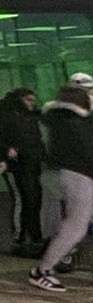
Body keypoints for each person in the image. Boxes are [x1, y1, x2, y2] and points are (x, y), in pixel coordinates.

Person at [30, 83, 93, 292]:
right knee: (75, 226)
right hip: (79, 176)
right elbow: (86, 152)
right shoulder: (74, 122)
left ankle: (44, 269)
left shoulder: (58, 119)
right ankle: (44, 270)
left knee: (75, 225)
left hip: (70, 175)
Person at [0, 88, 46, 257]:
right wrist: (6, 151)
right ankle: (22, 238)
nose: (31, 104)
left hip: (28, 164)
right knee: (23, 198)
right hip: (17, 165)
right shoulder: (8, 116)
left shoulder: (23, 116)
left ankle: (30, 237)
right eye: (28, 100)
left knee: (31, 199)